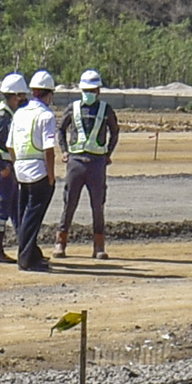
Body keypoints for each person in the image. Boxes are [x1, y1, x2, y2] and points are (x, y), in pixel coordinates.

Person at [6, 76, 67, 265]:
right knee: (32, 218)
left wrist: (17, 166)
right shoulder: (46, 116)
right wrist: (50, 176)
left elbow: (10, 146)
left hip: (21, 171)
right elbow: (49, 150)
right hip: (39, 172)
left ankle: (32, 254)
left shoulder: (19, 114)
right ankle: (26, 259)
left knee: (25, 214)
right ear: (49, 95)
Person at [60, 70, 119, 260]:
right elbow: (60, 129)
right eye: (86, 90)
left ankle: (98, 246)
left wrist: (108, 154)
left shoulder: (106, 109)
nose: (89, 93)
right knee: (70, 203)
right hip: (75, 162)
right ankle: (60, 243)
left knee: (97, 206)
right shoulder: (73, 108)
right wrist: (64, 151)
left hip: (97, 163)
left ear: (99, 90)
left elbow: (115, 132)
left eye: (92, 89)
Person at [0, 69, 29, 265]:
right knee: (2, 211)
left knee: (16, 210)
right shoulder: (3, 117)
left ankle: (26, 249)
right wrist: (2, 166)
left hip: (8, 169)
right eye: (22, 95)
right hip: (2, 171)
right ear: (16, 95)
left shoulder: (9, 113)